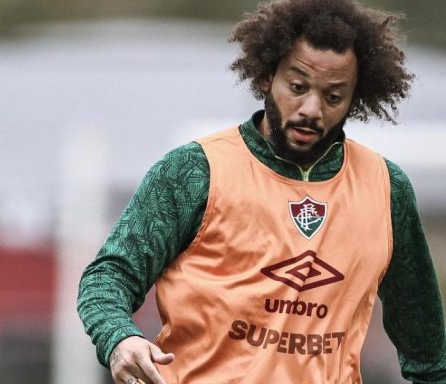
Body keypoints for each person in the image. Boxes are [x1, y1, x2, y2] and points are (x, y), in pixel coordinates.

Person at [77, 0, 446, 383]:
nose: (311, 109)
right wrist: (120, 338)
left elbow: (428, 353)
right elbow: (108, 277)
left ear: (357, 98)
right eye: (298, 87)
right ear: (268, 76)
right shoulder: (195, 170)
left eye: (333, 96)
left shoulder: (387, 190)